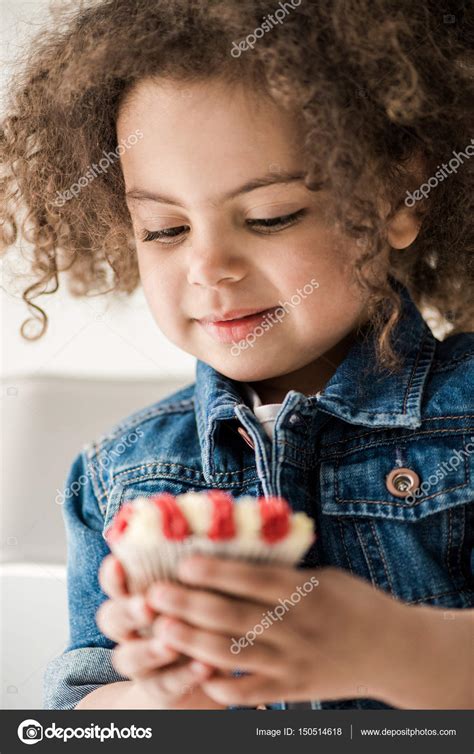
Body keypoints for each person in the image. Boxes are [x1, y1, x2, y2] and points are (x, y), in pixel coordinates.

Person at [1, 0, 472, 711]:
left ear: (395, 196)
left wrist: (395, 651)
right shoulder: (118, 478)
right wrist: (167, 695)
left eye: (269, 217)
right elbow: (79, 721)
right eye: (164, 229)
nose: (208, 265)